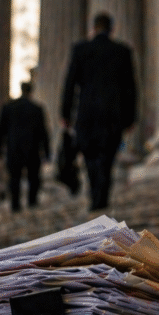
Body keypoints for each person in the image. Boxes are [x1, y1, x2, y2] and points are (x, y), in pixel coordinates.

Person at [61, 12, 137, 211]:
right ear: (111, 29)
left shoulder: (80, 50)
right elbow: (130, 88)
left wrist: (65, 114)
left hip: (87, 113)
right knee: (107, 156)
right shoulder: (122, 51)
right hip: (113, 113)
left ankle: (95, 194)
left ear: (93, 28)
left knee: (89, 155)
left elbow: (70, 84)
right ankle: (101, 195)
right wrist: (131, 117)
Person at [0, 81, 51, 212]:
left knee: (14, 178)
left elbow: (0, 131)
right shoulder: (37, 109)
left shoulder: (8, 107)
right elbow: (44, 133)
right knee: (33, 178)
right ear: (31, 92)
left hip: (14, 149)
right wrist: (47, 152)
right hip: (33, 149)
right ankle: (32, 203)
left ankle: (15, 206)